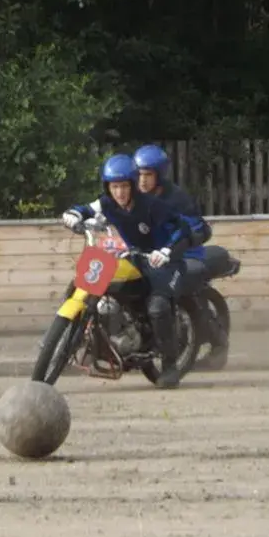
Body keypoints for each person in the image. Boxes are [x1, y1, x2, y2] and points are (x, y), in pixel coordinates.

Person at [61, 153, 193, 388]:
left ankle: (170, 366)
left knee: (158, 306)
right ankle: (81, 338)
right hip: (135, 257)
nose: (119, 192)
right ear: (108, 187)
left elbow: (181, 228)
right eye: (114, 186)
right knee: (87, 283)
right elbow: (85, 208)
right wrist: (73, 215)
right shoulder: (107, 202)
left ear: (132, 186)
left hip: (166, 262)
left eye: (123, 186)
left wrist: (165, 250)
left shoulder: (152, 206)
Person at [133, 144, 240, 367]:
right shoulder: (132, 196)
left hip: (186, 255)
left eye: (148, 175)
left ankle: (219, 345)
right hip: (150, 255)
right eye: (139, 174)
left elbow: (199, 228)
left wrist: (178, 243)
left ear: (159, 175)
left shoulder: (176, 199)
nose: (142, 180)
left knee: (185, 286)